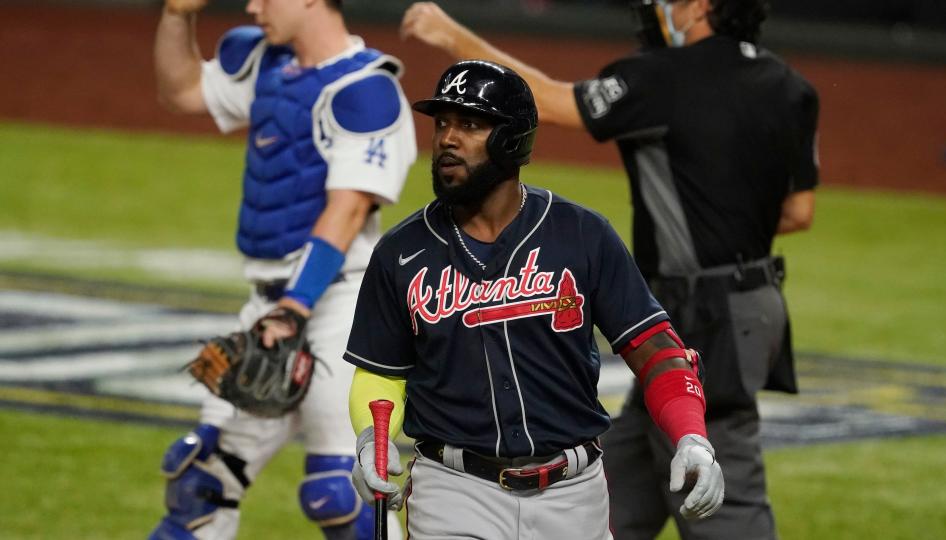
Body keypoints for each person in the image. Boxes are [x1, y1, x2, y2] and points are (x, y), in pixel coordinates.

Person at [400, 1, 819, 539]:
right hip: (756, 304)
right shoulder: (789, 85)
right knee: (627, 472)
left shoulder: (660, 77)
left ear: (699, 7)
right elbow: (797, 213)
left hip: (701, 311)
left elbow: (544, 102)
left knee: (719, 478)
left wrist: (449, 33)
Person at [343, 59, 724, 540]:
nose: (447, 139)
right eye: (442, 124)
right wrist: (369, 439)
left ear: (512, 140)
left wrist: (692, 436)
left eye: (470, 124)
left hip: (574, 496)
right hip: (453, 493)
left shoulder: (581, 235)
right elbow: (379, 373)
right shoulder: (401, 252)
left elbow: (656, 350)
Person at [150, 0, 416, 538]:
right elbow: (180, 91)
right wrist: (177, 15)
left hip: (343, 305)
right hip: (273, 302)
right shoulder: (268, 65)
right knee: (200, 482)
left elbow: (348, 209)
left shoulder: (367, 91)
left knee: (339, 493)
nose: (252, 5)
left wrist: (295, 308)